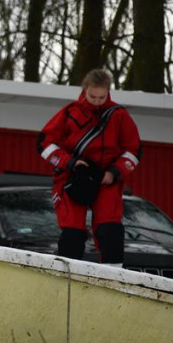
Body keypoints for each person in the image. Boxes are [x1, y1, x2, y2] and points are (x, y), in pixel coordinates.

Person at [37, 68, 141, 265]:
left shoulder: (118, 115)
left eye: (102, 97)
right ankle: (68, 275)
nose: (96, 101)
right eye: (92, 96)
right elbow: (43, 143)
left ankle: (113, 279)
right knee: (72, 232)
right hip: (74, 177)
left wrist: (115, 172)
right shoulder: (70, 112)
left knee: (110, 230)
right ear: (85, 89)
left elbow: (134, 150)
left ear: (108, 92)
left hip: (106, 178)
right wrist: (70, 162)